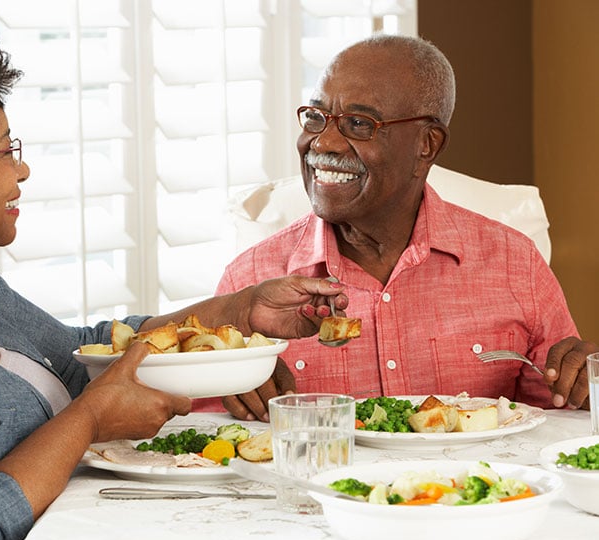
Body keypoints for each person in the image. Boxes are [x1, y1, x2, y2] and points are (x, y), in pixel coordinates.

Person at [0, 22, 347, 540]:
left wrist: (238, 310)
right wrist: (89, 418)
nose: (22, 169)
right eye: (4, 152)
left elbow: (78, 358)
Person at [193, 34, 589, 420]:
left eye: (359, 124)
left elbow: (559, 413)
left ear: (427, 144)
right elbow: (199, 445)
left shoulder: (515, 263)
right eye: (316, 117)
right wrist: (236, 402)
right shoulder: (249, 283)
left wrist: (581, 383)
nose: (324, 143)